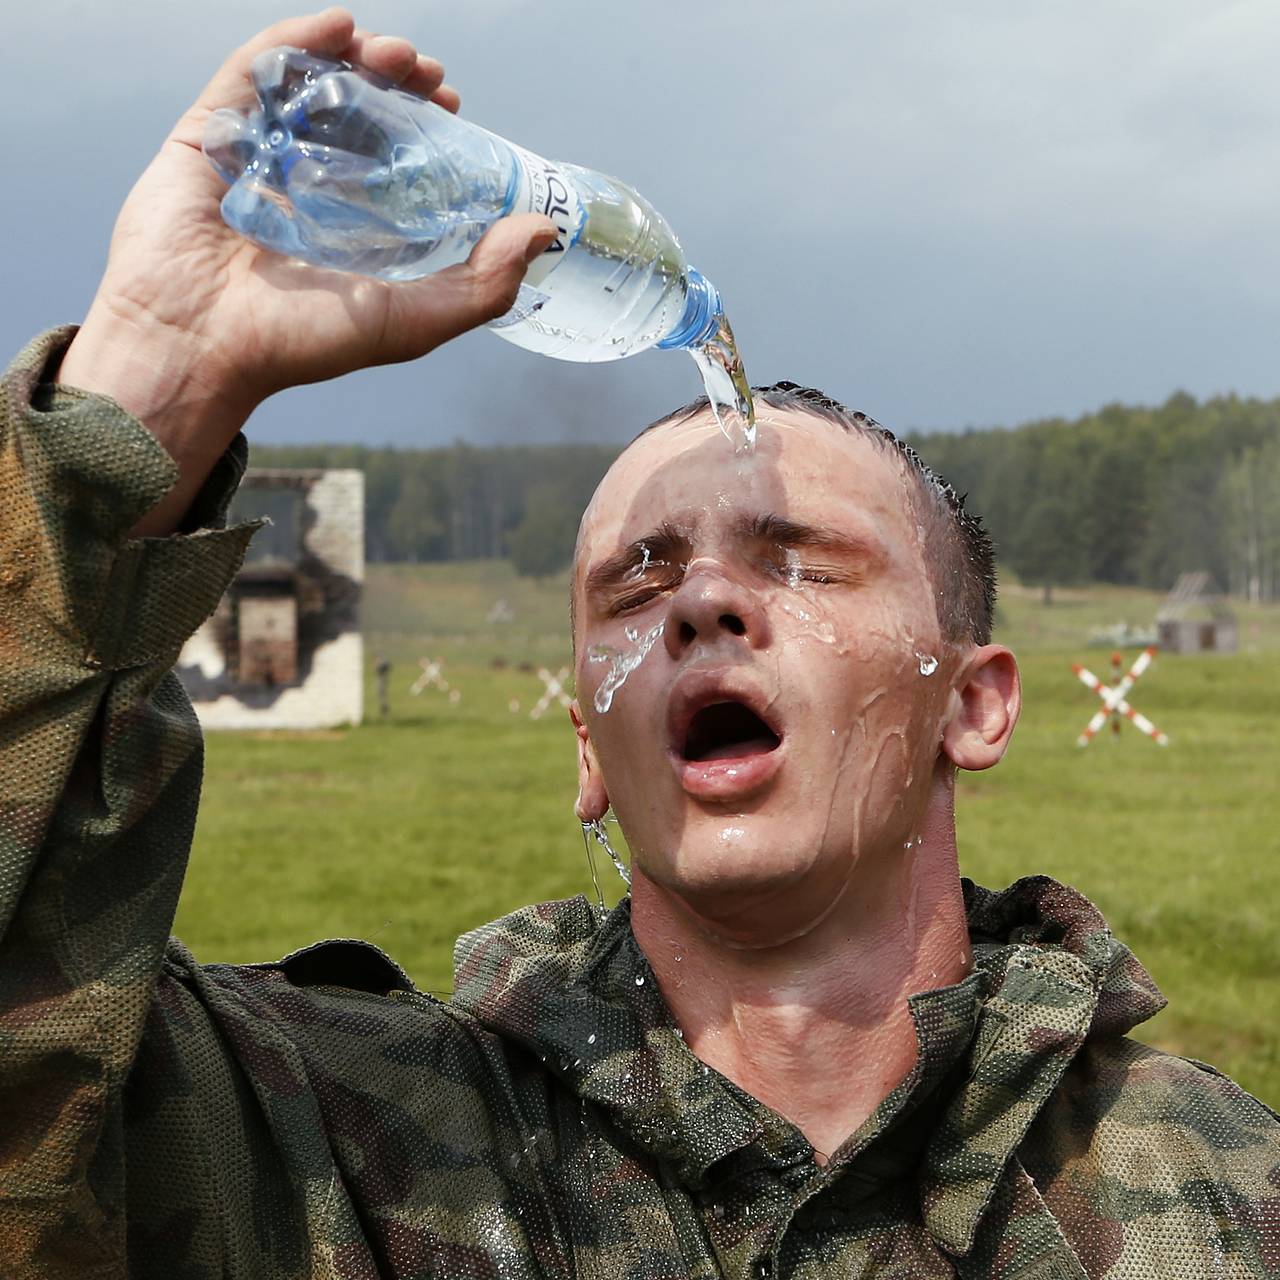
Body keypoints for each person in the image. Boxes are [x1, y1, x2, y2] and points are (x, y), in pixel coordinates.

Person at [0, 10, 1275, 1279]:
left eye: (796, 558)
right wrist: (148, 385)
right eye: (635, 581)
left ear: (974, 703)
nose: (699, 603)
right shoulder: (347, 1146)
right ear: (587, 751)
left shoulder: (1212, 1184)